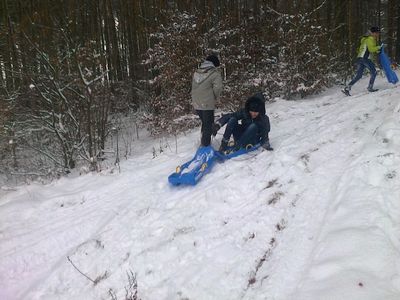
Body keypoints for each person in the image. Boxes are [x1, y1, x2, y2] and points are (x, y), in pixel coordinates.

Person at [191, 54, 223, 147]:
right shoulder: (214, 74)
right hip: (207, 102)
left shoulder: (196, 72)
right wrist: (215, 98)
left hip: (197, 103)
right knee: (208, 124)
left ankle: (203, 141)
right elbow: (218, 88)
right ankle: (205, 147)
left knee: (205, 123)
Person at [342, 26, 382, 96]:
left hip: (360, 58)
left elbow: (360, 49)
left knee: (359, 75)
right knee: (374, 72)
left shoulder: (364, 39)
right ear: (373, 33)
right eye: (377, 33)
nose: (378, 34)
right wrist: (379, 47)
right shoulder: (370, 39)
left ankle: (347, 88)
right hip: (365, 58)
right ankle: (370, 87)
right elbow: (371, 49)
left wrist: (377, 50)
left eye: (378, 33)